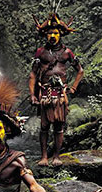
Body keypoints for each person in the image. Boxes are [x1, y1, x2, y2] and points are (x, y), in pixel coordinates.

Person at [27, 12, 83, 167]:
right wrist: (32, 94)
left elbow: (80, 70)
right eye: (50, 32)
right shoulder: (41, 52)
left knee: (59, 126)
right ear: (45, 34)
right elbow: (33, 74)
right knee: (44, 126)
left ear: (60, 34)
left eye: (56, 33)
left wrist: (73, 87)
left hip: (60, 94)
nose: (52, 35)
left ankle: (56, 156)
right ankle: (44, 156)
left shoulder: (67, 52)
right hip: (44, 93)